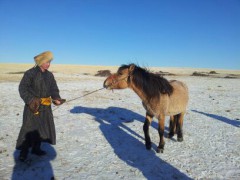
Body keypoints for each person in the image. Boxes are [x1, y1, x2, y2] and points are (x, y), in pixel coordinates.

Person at [16, 51, 66, 162]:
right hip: (32, 107)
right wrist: (31, 100)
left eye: (49, 62)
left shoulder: (50, 75)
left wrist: (56, 98)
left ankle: (36, 149)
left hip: (46, 107)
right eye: (47, 62)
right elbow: (22, 88)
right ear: (40, 62)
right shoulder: (30, 73)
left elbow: (54, 89)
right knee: (28, 128)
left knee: (41, 128)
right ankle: (23, 152)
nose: (48, 64)